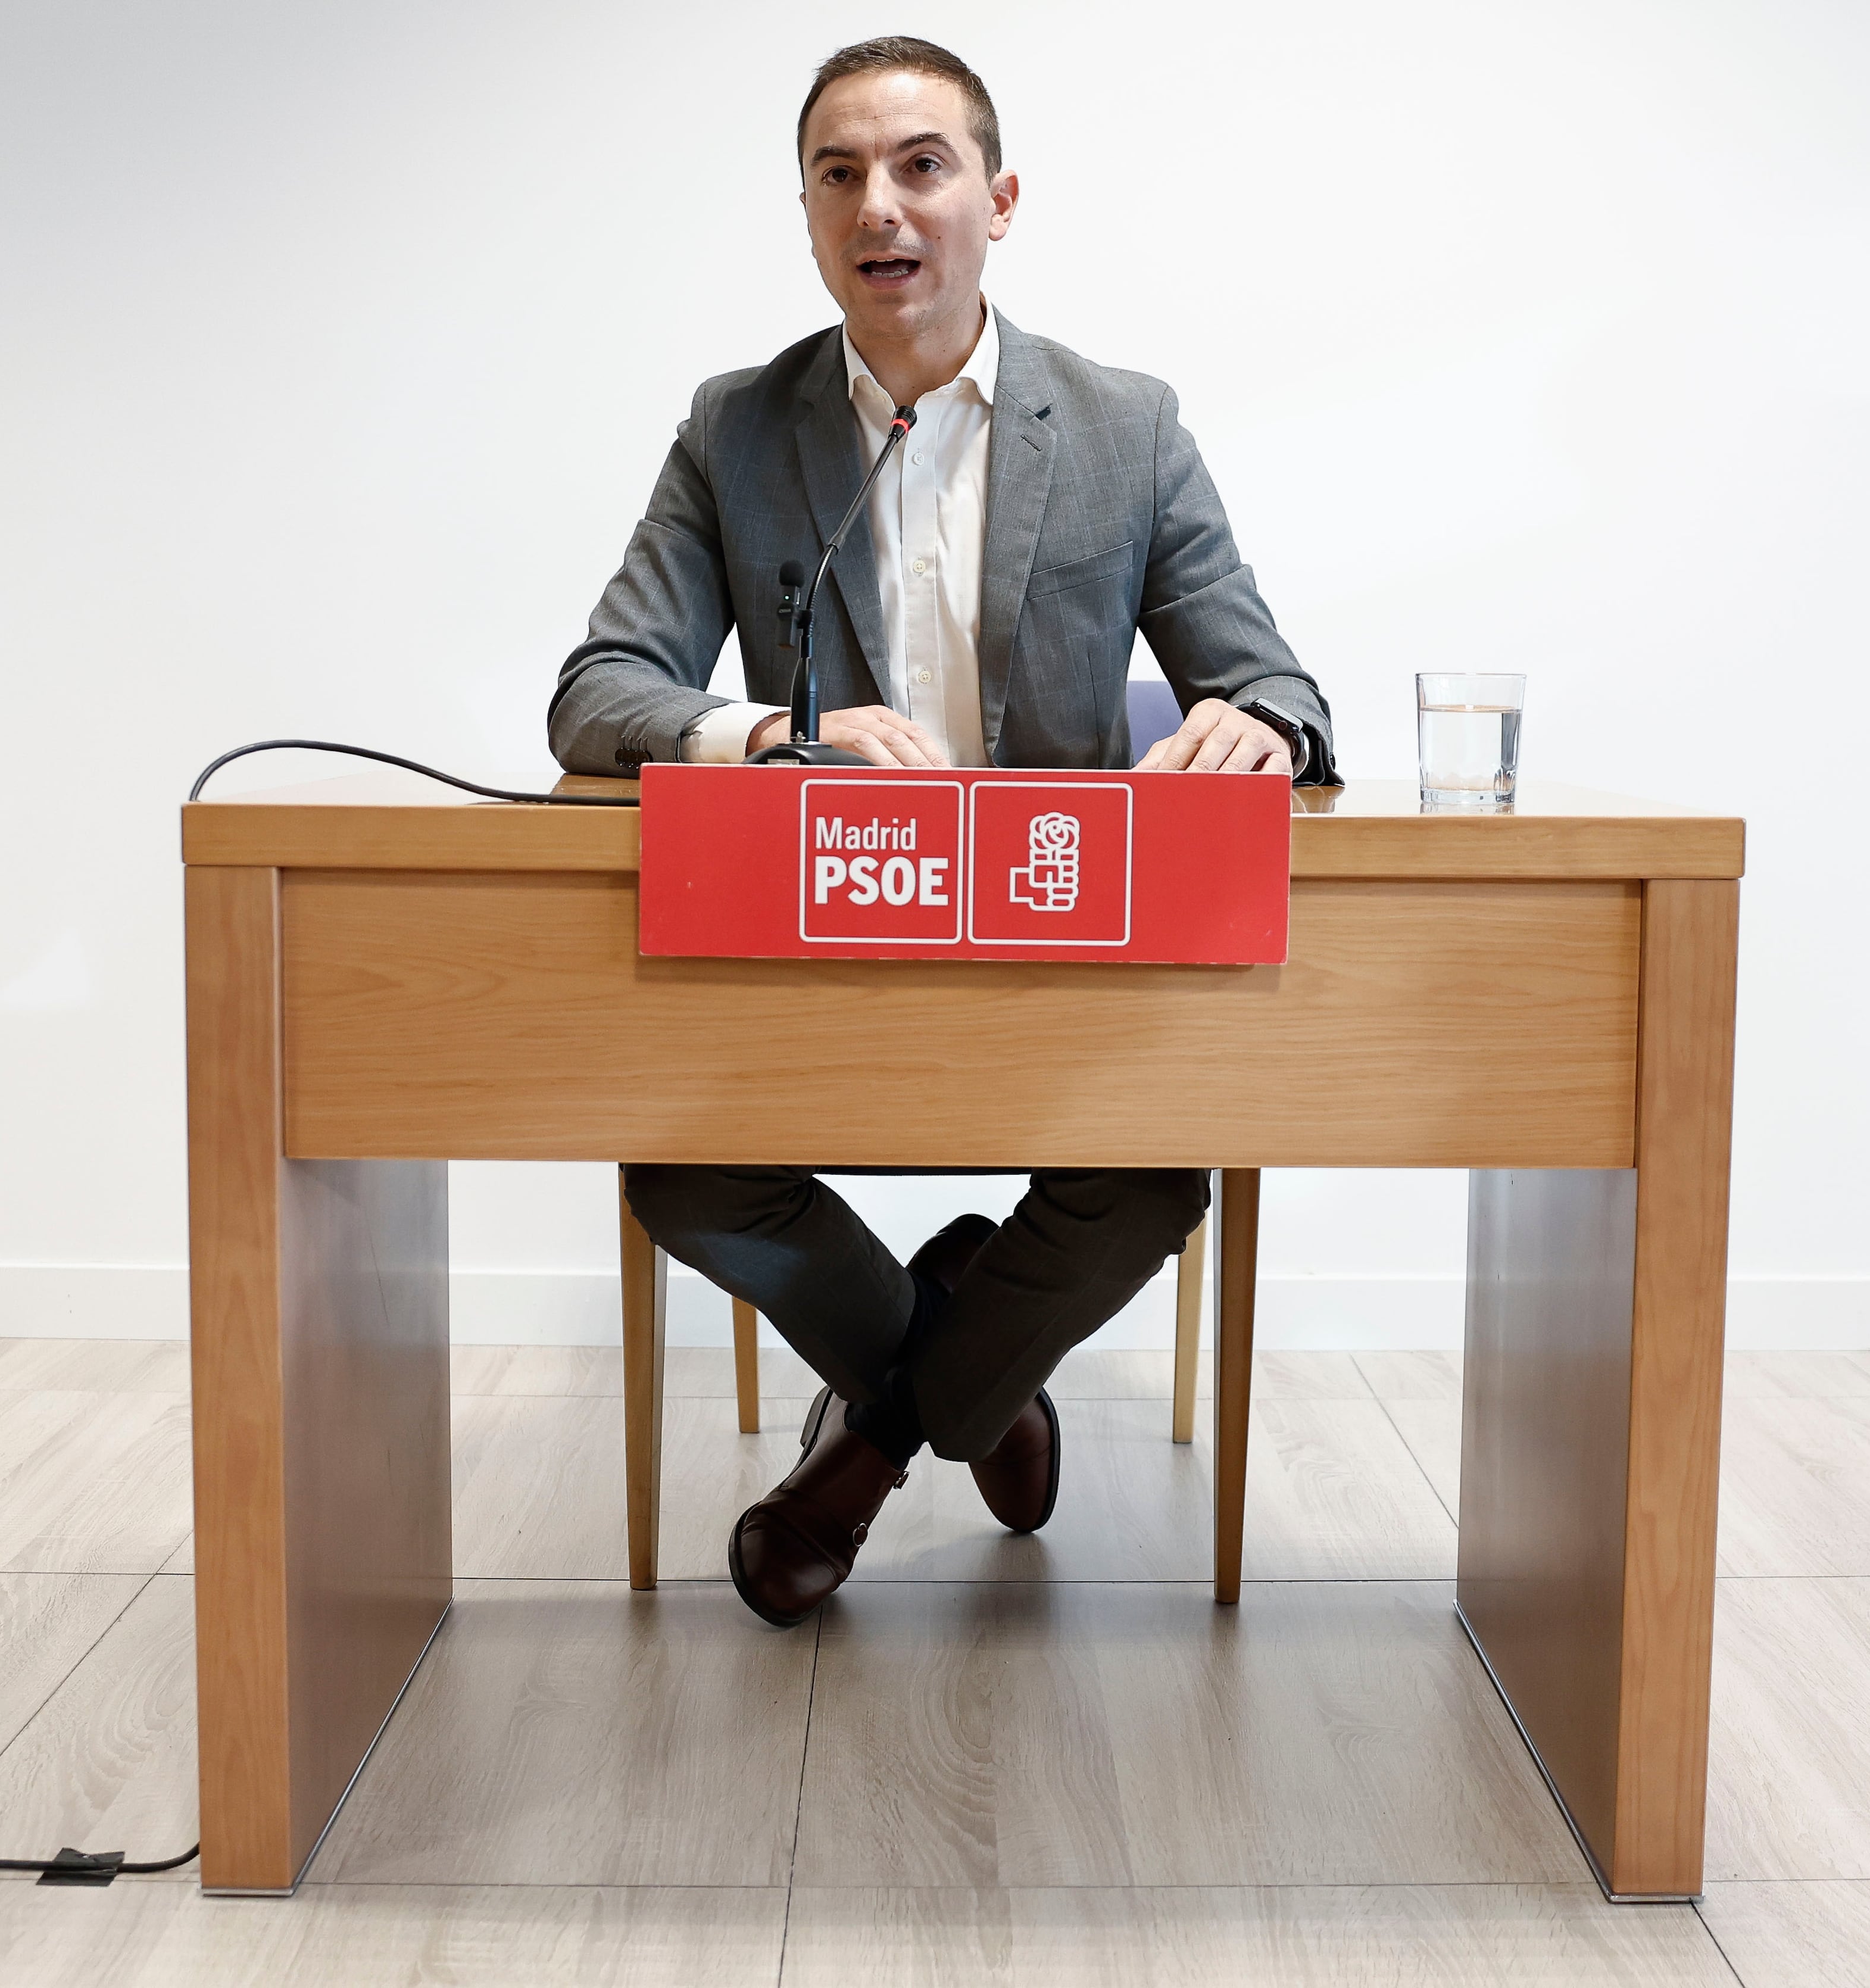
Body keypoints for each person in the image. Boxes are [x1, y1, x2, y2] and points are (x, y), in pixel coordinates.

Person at [551, 36, 1336, 1627]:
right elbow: (596, 693)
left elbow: (1274, 682)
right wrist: (771, 730)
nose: (880, 206)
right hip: (812, 957)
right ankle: (968, 1349)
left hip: (1059, 966)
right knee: (681, 1169)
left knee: (1147, 1177)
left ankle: (880, 1434)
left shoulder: (1124, 427)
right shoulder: (738, 431)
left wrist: (1260, 723)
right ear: (809, 213)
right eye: (838, 175)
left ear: (999, 198)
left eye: (919, 166)